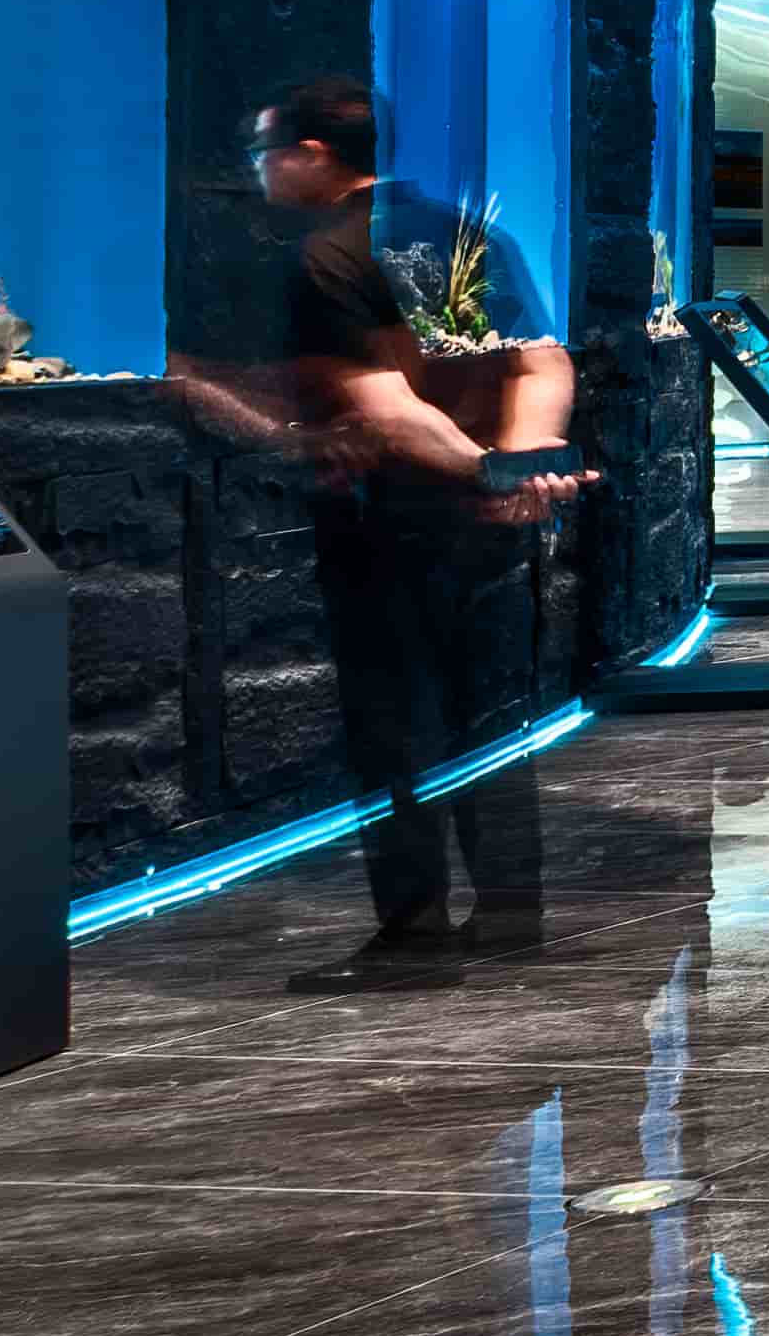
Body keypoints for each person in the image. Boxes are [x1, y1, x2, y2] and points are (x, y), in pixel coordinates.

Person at [195, 79, 587, 975]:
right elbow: (541, 364)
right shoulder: (469, 232)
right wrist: (521, 468)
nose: (258, 170)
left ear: (312, 156)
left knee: (394, 725)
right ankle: (511, 921)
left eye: (265, 151)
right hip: (492, 522)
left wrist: (485, 470)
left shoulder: (325, 258)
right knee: (491, 715)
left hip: (393, 524)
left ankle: (414, 934)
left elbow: (386, 409)